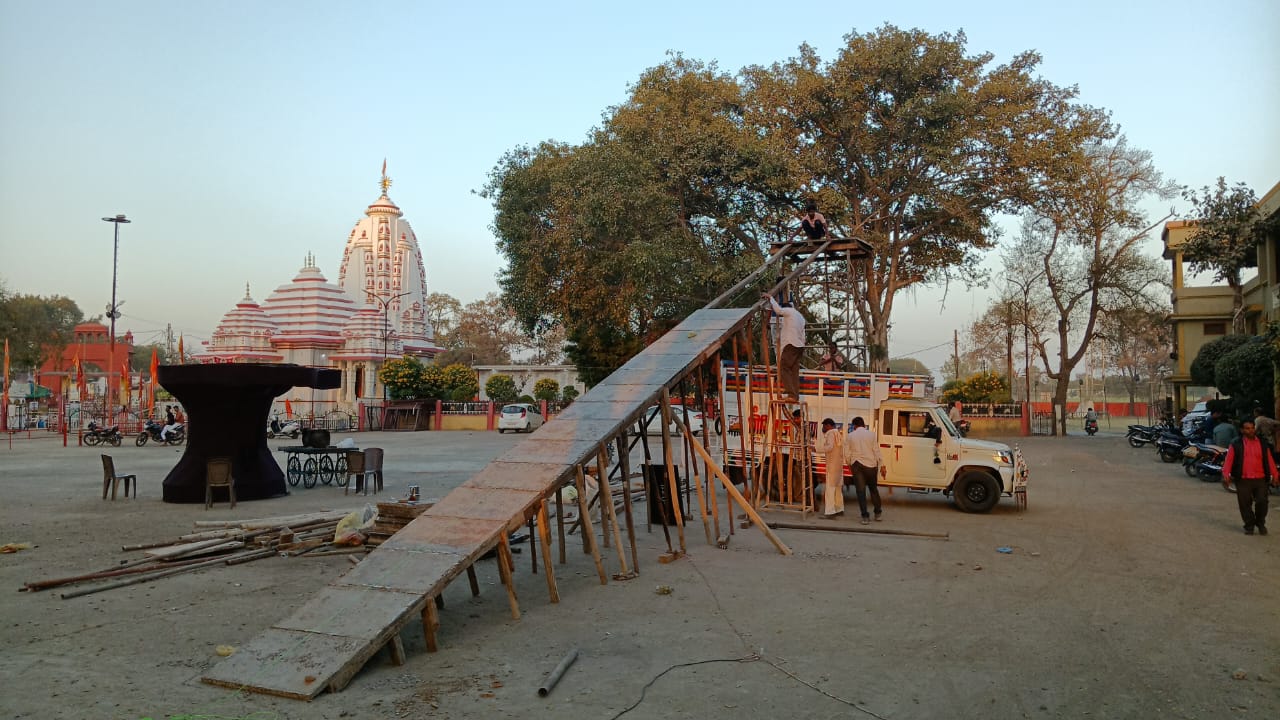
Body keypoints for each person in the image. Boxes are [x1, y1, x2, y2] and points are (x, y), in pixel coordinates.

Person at [1222, 420, 1280, 535]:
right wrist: (1226, 475)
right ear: (1242, 430)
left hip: (1261, 478)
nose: (1251, 430)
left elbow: (1269, 460)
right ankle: (1249, 525)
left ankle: (1260, 523)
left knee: (1262, 502)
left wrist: (1275, 475)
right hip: (1243, 479)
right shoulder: (1236, 444)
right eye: (1247, 428)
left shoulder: (1262, 443)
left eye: (1252, 428)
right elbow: (1229, 460)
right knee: (1245, 504)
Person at [763, 292, 806, 402]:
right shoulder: (800, 317)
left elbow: (778, 310)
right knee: (794, 372)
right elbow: (803, 336)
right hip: (799, 346)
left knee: (783, 368)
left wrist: (771, 298)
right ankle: (795, 396)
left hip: (791, 344)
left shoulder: (788, 311)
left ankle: (791, 394)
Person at [843, 416, 884, 524]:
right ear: (864, 425)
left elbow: (847, 453)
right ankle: (878, 513)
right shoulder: (871, 435)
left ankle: (865, 516)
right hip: (870, 465)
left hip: (857, 465)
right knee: (873, 489)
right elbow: (876, 450)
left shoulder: (850, 436)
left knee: (861, 492)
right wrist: (881, 464)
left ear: (854, 426)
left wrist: (849, 463)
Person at [813, 418, 845, 518]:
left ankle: (830, 512)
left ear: (828, 426)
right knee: (838, 489)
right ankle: (839, 509)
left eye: (824, 426)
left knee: (830, 490)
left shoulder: (831, 433)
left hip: (832, 465)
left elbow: (829, 447)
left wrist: (816, 449)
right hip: (838, 465)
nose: (823, 428)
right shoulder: (838, 433)